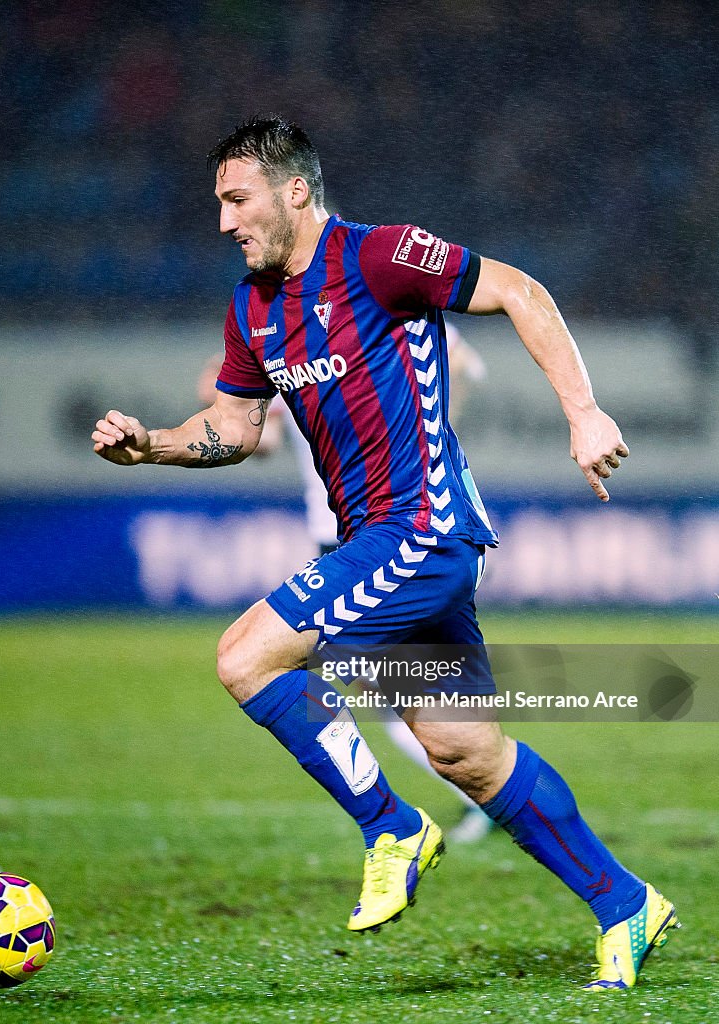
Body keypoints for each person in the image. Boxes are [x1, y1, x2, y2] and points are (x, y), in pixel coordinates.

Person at [92, 116, 678, 990]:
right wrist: (154, 446)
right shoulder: (253, 307)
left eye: (237, 199)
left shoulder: (382, 257)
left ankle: (390, 828)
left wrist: (584, 412)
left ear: (295, 191)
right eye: (217, 204)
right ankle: (627, 904)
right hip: (381, 545)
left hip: (425, 530)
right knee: (463, 751)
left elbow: (520, 290)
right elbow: (233, 428)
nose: (224, 222)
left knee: (246, 655)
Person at [198, 331, 496, 844]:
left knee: (318, 676)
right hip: (356, 535)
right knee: (383, 685)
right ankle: (475, 789)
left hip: (375, 536)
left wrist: (423, 436)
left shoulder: (368, 307)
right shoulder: (294, 335)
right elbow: (262, 440)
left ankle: (440, 807)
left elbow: (467, 363)